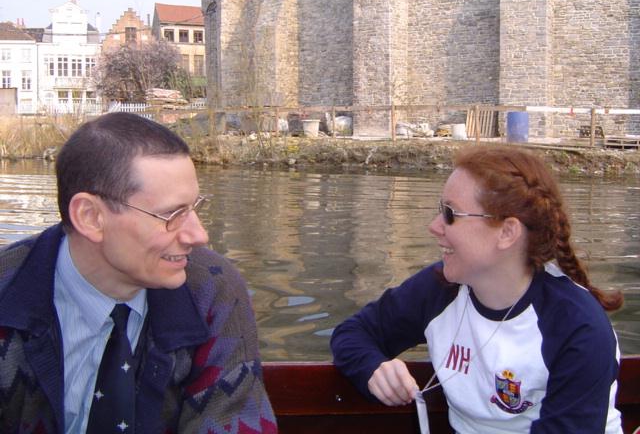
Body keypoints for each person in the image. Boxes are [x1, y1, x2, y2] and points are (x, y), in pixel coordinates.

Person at [0, 112, 277, 433]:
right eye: (171, 214)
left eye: (194, 207)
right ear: (90, 217)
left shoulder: (212, 288)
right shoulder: (8, 289)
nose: (198, 235)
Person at [331, 144, 623, 433]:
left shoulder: (577, 326)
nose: (434, 226)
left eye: (450, 214)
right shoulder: (440, 289)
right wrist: (373, 368)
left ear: (507, 232)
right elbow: (354, 333)